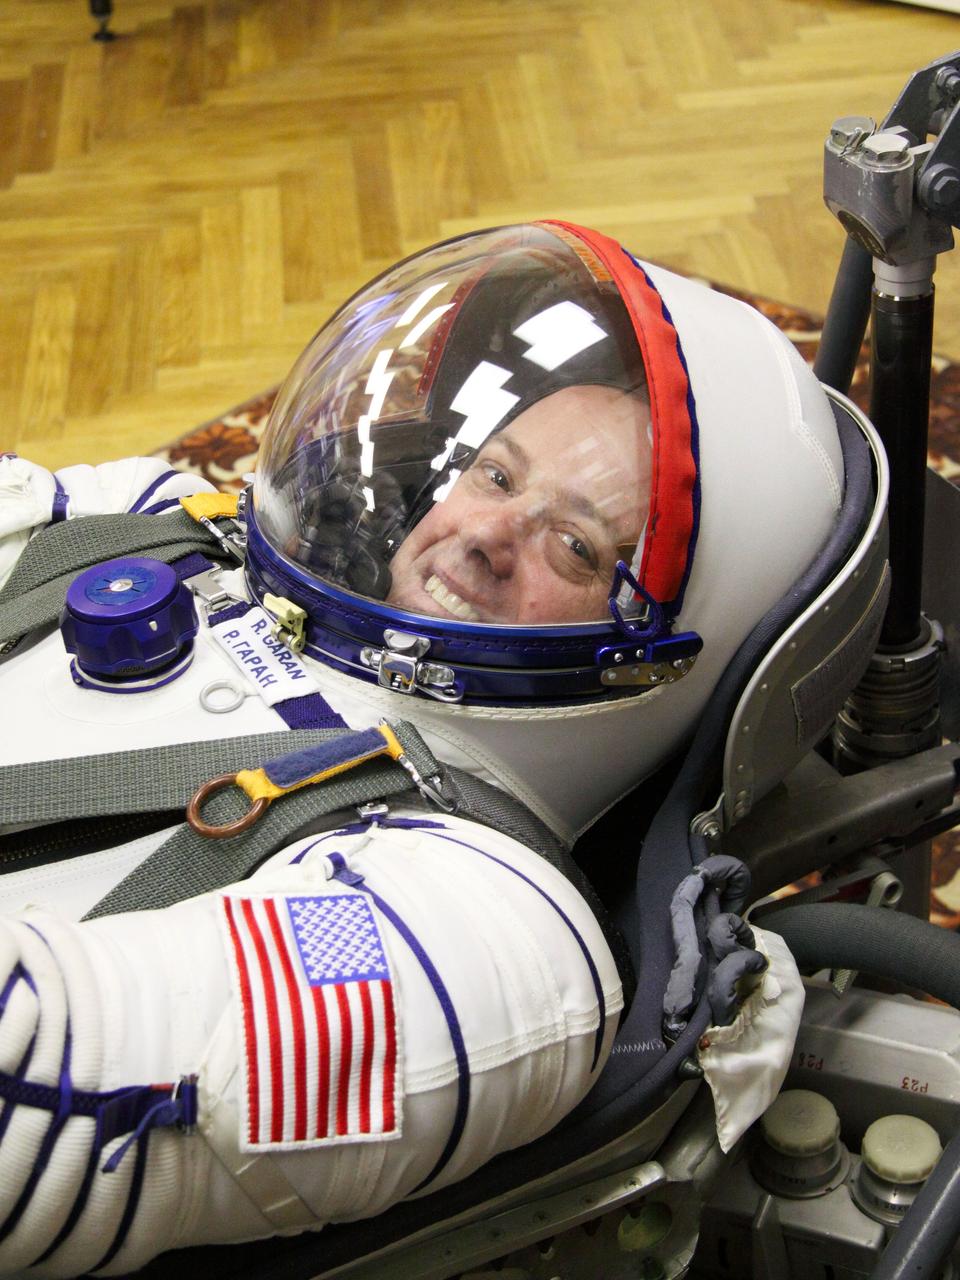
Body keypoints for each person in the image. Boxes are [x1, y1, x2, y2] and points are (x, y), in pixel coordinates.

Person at [0, 220, 842, 1276]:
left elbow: (38, 1092)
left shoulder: (484, 934)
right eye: (494, 474)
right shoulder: (188, 527)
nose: (489, 536)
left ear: (659, 658)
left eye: (576, 545)